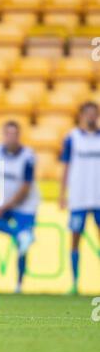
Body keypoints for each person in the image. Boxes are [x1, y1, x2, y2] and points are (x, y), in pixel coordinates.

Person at [0, 121, 40, 293]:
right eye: (8, 134)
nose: (11, 137)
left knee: (22, 249)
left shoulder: (28, 156)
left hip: (26, 206)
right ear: (4, 135)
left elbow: (26, 188)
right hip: (4, 203)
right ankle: (19, 234)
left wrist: (2, 208)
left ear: (19, 136)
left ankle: (19, 285)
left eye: (15, 134)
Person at [60, 101, 100, 294]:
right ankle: (74, 283)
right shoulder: (72, 138)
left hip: (98, 197)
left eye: (95, 113)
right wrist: (62, 194)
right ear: (82, 115)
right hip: (78, 197)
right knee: (75, 239)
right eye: (88, 113)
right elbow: (66, 167)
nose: (92, 116)